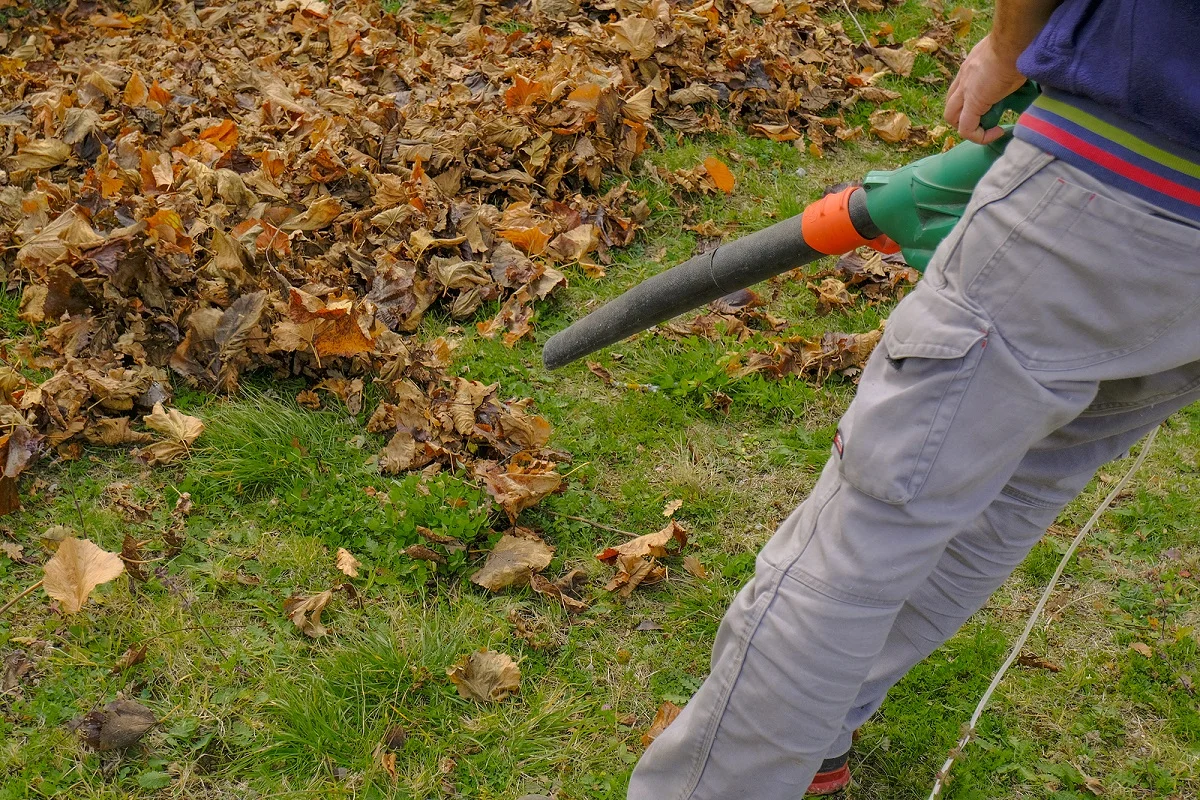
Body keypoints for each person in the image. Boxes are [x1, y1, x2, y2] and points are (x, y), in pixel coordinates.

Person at [616, 0, 1200, 797]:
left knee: (870, 529)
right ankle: (818, 727)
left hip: (1124, 167)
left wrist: (1009, 48)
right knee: (1012, 493)